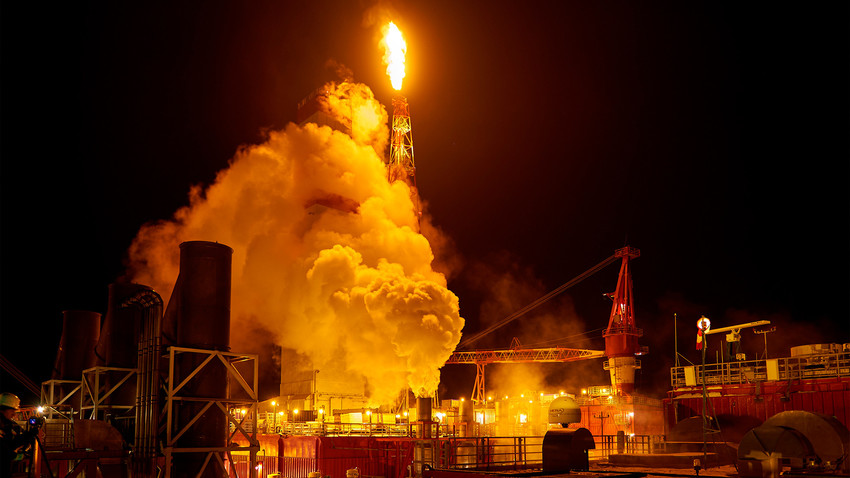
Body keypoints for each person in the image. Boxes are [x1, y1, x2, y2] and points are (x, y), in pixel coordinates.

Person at [0, 393, 38, 478]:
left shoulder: (7, 425)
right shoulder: (3, 426)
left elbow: (12, 442)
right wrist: (28, 436)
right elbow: (8, 447)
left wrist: (28, 436)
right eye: (12, 410)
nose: (14, 414)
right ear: (3, 409)